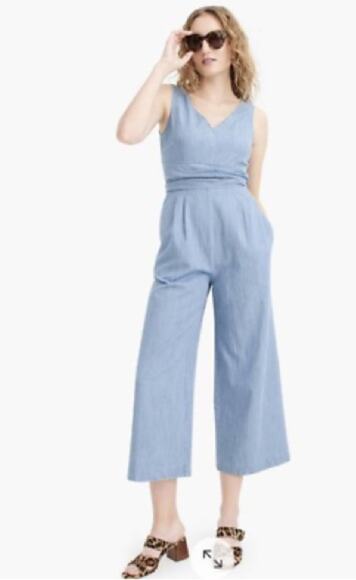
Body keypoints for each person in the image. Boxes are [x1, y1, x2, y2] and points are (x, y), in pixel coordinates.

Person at [116, 6, 290, 578]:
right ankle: (165, 524)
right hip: (183, 247)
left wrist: (260, 238)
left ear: (233, 45)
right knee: (158, 375)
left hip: (243, 244)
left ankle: (229, 516)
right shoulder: (171, 101)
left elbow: (252, 189)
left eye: (215, 37)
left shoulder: (255, 120)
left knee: (242, 370)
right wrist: (161, 65)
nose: (206, 47)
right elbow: (127, 133)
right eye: (194, 40)